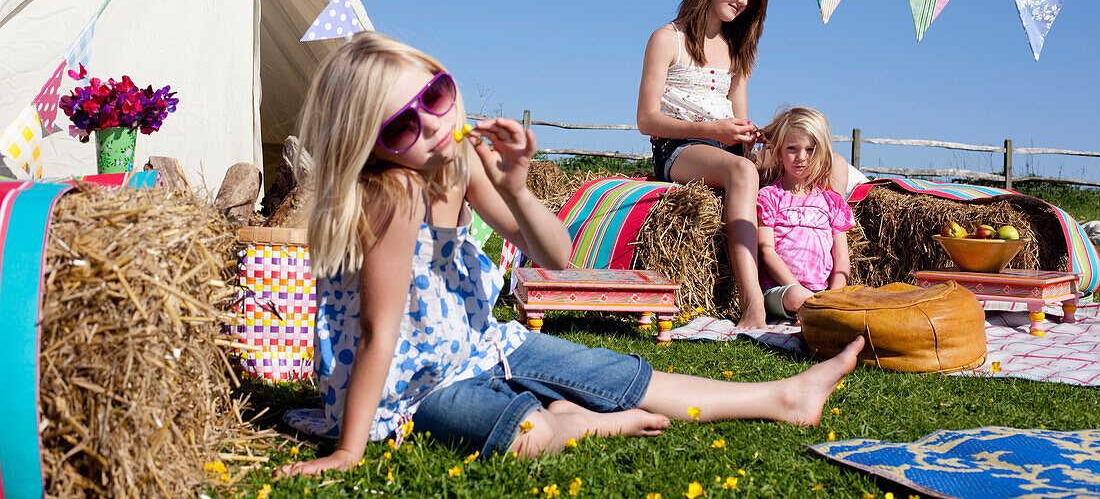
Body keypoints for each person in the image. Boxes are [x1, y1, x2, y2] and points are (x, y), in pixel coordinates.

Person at [276, 32, 863, 477]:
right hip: (411, 385)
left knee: (610, 370)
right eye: (402, 127)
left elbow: (557, 256)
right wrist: (350, 450)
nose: (432, 125)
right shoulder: (393, 195)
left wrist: (517, 190)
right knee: (527, 434)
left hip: (478, 345)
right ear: (368, 146)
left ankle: (783, 396)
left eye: (436, 95)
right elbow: (380, 332)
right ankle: (591, 423)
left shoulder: (458, 164)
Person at [636, 0, 848, 329]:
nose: (744, 1)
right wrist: (709, 130)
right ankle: (752, 301)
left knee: (831, 164)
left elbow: (739, 120)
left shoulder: (736, 50)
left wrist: (760, 135)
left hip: (727, 145)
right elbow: (647, 120)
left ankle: (828, 287)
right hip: (679, 147)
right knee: (744, 173)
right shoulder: (667, 39)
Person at [756, 107, 855, 322]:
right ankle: (813, 311)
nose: (801, 157)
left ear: (821, 151)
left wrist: (834, 296)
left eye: (810, 149)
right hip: (782, 291)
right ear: (779, 151)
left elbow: (842, 257)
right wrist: (799, 291)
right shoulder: (769, 197)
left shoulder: (831, 201)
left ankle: (820, 310)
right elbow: (766, 251)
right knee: (796, 297)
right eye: (792, 148)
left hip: (823, 292)